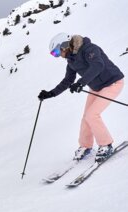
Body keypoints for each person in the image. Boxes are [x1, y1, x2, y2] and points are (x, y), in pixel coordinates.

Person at [38, 33, 124, 162]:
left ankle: (106, 145)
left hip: (112, 83)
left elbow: (98, 65)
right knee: (86, 117)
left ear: (64, 45)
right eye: (54, 55)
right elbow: (67, 80)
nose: (57, 56)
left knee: (92, 115)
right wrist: (51, 93)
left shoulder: (89, 49)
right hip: (96, 88)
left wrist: (81, 83)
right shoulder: (71, 61)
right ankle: (86, 146)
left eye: (56, 52)